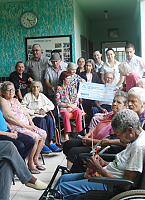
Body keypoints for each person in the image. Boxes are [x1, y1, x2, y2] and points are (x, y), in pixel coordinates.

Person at [53, 109, 145, 200]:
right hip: (106, 174)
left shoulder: (138, 147)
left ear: (130, 130)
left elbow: (126, 185)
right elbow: (122, 166)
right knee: (63, 179)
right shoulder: (134, 138)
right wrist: (104, 163)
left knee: (61, 189)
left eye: (119, 135)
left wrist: (99, 169)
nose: (117, 138)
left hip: (109, 185)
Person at [63, 91, 128, 170]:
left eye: (119, 102)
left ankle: (71, 172)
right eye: (114, 101)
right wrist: (88, 134)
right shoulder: (110, 114)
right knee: (67, 144)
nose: (114, 104)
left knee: (74, 151)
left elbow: (109, 141)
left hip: (98, 145)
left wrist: (91, 141)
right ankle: (74, 166)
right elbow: (96, 126)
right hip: (91, 139)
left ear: (125, 106)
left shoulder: (121, 120)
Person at [0, 81, 47, 174]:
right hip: (16, 126)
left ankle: (35, 158)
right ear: (3, 92)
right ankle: (30, 163)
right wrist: (26, 126)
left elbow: (25, 113)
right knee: (35, 137)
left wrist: (32, 124)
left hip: (27, 125)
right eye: (9, 90)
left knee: (43, 133)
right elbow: (10, 117)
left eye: (13, 89)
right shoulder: (3, 100)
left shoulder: (16, 100)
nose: (11, 91)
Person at [21, 81, 59, 152]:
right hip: (32, 116)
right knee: (42, 121)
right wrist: (34, 111)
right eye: (34, 87)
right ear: (31, 88)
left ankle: (51, 142)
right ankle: (43, 143)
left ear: (40, 88)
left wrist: (43, 109)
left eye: (37, 87)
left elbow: (51, 105)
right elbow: (22, 107)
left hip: (42, 115)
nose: (35, 88)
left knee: (50, 119)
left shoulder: (42, 96)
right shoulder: (28, 96)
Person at [55, 71, 83, 141]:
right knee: (66, 114)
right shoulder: (59, 90)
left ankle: (78, 132)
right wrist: (68, 106)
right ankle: (67, 133)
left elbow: (76, 101)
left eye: (70, 79)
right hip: (63, 107)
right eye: (68, 78)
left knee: (79, 111)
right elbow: (58, 102)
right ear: (63, 79)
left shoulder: (73, 89)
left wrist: (72, 106)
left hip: (72, 107)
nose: (70, 80)